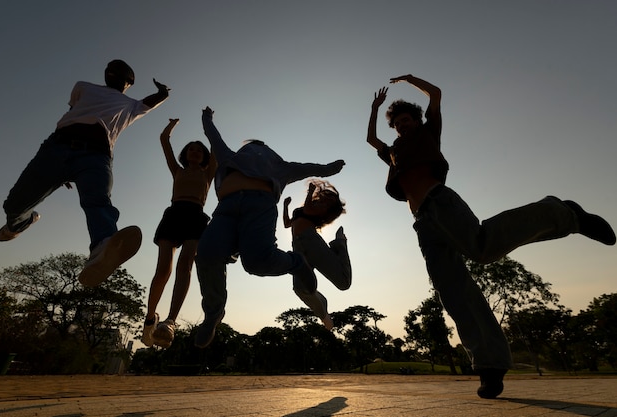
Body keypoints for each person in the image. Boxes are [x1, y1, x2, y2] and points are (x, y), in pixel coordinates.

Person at [366, 74, 615, 399]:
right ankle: (490, 365)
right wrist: (375, 107)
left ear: (417, 120)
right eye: (397, 124)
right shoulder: (394, 152)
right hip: (422, 223)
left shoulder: (429, 132)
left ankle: (562, 214)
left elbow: (436, 94)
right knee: (452, 289)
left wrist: (409, 79)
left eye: (407, 120)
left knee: (481, 246)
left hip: (441, 202)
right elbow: (372, 139)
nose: (402, 126)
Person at [0, 60, 170, 287]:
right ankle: (20, 222)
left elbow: (151, 101)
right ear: (107, 74)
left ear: (129, 83)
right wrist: (64, 169)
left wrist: (163, 92)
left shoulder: (130, 105)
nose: (114, 75)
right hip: (56, 149)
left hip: (96, 157)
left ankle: (102, 248)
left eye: (123, 76)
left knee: (98, 201)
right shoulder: (83, 86)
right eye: (111, 71)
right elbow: (74, 112)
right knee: (13, 205)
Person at [194, 106, 345, 348]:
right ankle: (213, 311)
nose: (257, 151)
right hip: (226, 209)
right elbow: (213, 137)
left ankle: (296, 262)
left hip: (259, 206)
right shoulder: (231, 157)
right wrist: (206, 117)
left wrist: (330, 168)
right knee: (207, 253)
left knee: (256, 262)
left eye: (262, 148)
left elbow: (308, 168)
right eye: (252, 147)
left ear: (271, 155)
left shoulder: (281, 166)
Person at [141, 118, 217, 348]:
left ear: (204, 156)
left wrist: (208, 122)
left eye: (199, 150)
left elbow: (215, 146)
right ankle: (150, 317)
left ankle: (170, 321)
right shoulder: (177, 170)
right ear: (186, 154)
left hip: (196, 216)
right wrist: (171, 124)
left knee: (185, 266)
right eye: (191, 149)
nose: (194, 152)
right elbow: (164, 140)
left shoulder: (208, 173)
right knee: (164, 268)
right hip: (174, 214)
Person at [282, 179, 351, 330]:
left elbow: (307, 209)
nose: (325, 203)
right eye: (326, 199)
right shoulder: (305, 209)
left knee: (343, 283)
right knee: (300, 289)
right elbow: (287, 224)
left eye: (329, 204)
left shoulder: (316, 211)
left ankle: (340, 244)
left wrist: (310, 191)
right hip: (298, 248)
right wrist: (285, 206)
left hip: (312, 243)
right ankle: (323, 312)